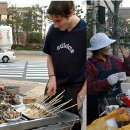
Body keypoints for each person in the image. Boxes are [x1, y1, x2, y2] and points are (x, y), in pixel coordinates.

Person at [42, 1, 86, 130]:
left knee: (71, 125)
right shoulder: (52, 30)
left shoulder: (84, 31)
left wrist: (82, 95)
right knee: (49, 123)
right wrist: (52, 76)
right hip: (54, 86)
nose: (55, 25)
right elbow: (49, 54)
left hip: (75, 89)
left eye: (58, 20)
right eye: (52, 20)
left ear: (71, 12)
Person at [87, 32, 130, 125]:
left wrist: (127, 59)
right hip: (97, 107)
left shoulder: (114, 59)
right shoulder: (89, 65)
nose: (108, 47)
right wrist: (106, 82)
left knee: (117, 125)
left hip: (116, 103)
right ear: (97, 49)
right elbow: (88, 87)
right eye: (104, 45)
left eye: (108, 44)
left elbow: (128, 72)